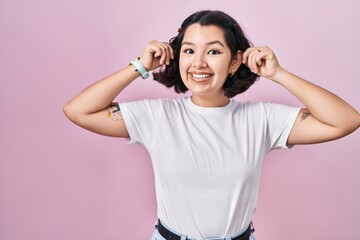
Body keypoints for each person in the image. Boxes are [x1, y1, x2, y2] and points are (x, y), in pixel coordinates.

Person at [63, 10, 360, 240]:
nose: (199, 63)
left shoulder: (262, 119)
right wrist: (140, 65)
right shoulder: (156, 116)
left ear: (234, 62)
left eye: (214, 51)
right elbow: (78, 111)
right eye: (189, 50)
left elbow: (346, 121)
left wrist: (278, 74)